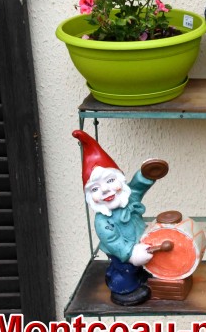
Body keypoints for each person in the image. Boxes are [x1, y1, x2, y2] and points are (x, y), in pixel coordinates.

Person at [72, 130, 169, 306]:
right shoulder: (102, 221)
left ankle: (141, 274)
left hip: (142, 242)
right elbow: (113, 241)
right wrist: (130, 253)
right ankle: (124, 289)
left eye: (110, 181)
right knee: (126, 270)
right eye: (95, 189)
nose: (105, 190)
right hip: (122, 252)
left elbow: (137, 187)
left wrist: (146, 175)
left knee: (146, 264)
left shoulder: (128, 198)